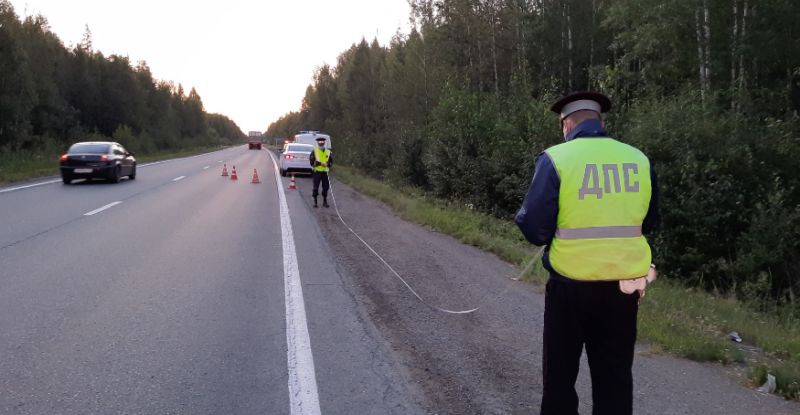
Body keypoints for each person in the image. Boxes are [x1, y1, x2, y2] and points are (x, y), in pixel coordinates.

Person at [515, 91, 660, 415]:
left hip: (570, 289)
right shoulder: (638, 160)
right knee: (615, 379)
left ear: (566, 125)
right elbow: (650, 221)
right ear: (601, 122)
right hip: (624, 289)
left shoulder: (556, 159)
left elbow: (533, 227)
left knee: (561, 379)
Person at [309, 136, 332, 208]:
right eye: (319, 142)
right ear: (317, 143)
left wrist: (327, 164)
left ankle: (325, 201)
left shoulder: (328, 152)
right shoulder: (314, 151)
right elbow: (312, 162)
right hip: (317, 172)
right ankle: (315, 202)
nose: (321, 143)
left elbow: (331, 162)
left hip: (325, 172)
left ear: (324, 142)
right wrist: (320, 163)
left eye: (322, 142)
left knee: (325, 187)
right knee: (315, 187)